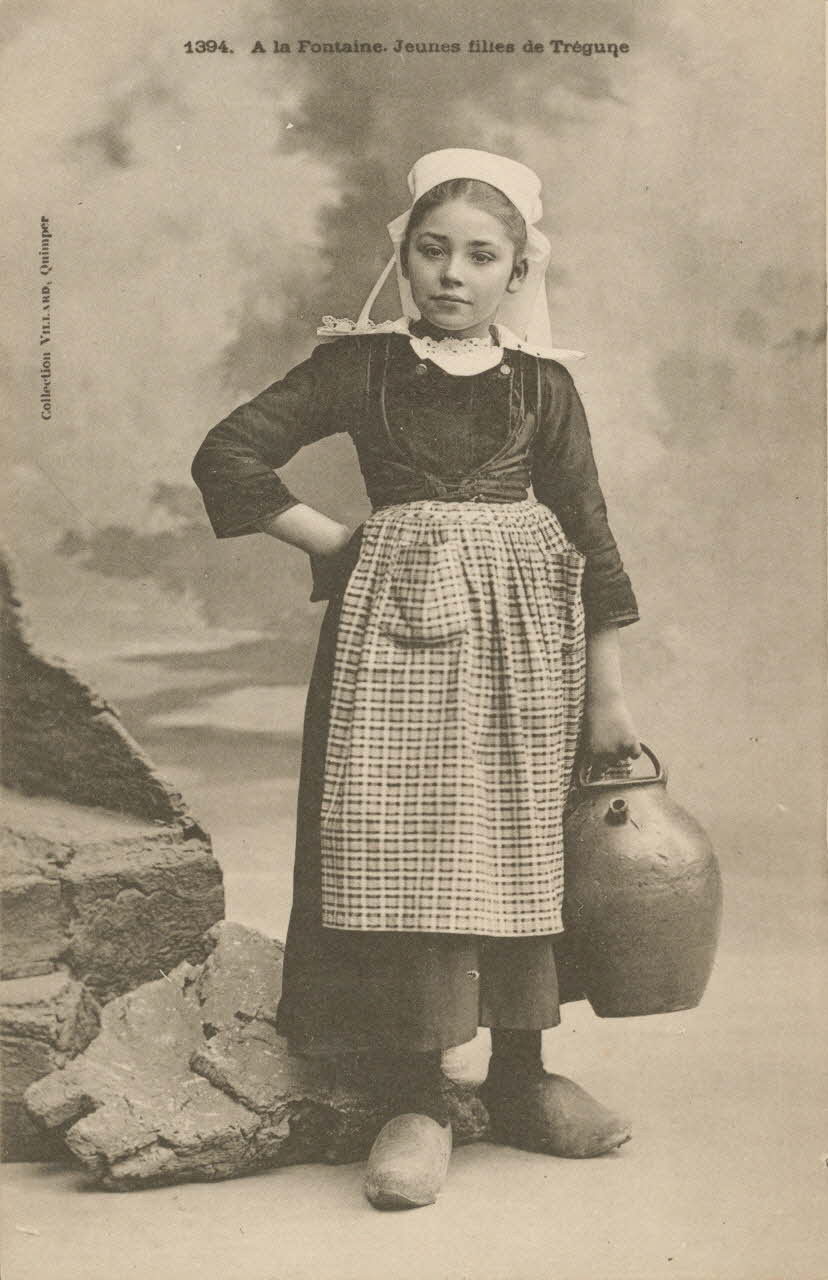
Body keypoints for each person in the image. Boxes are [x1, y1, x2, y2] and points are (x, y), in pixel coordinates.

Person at [192, 148, 641, 1210]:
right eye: (431, 250)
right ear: (400, 258)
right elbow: (230, 456)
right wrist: (338, 544)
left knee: (523, 839)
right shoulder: (360, 368)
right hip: (395, 647)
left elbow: (593, 536)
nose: (452, 273)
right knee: (408, 845)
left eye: (481, 256)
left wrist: (607, 691)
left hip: (531, 644)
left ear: (517, 272)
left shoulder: (545, 385)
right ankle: (418, 1094)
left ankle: (524, 1077)